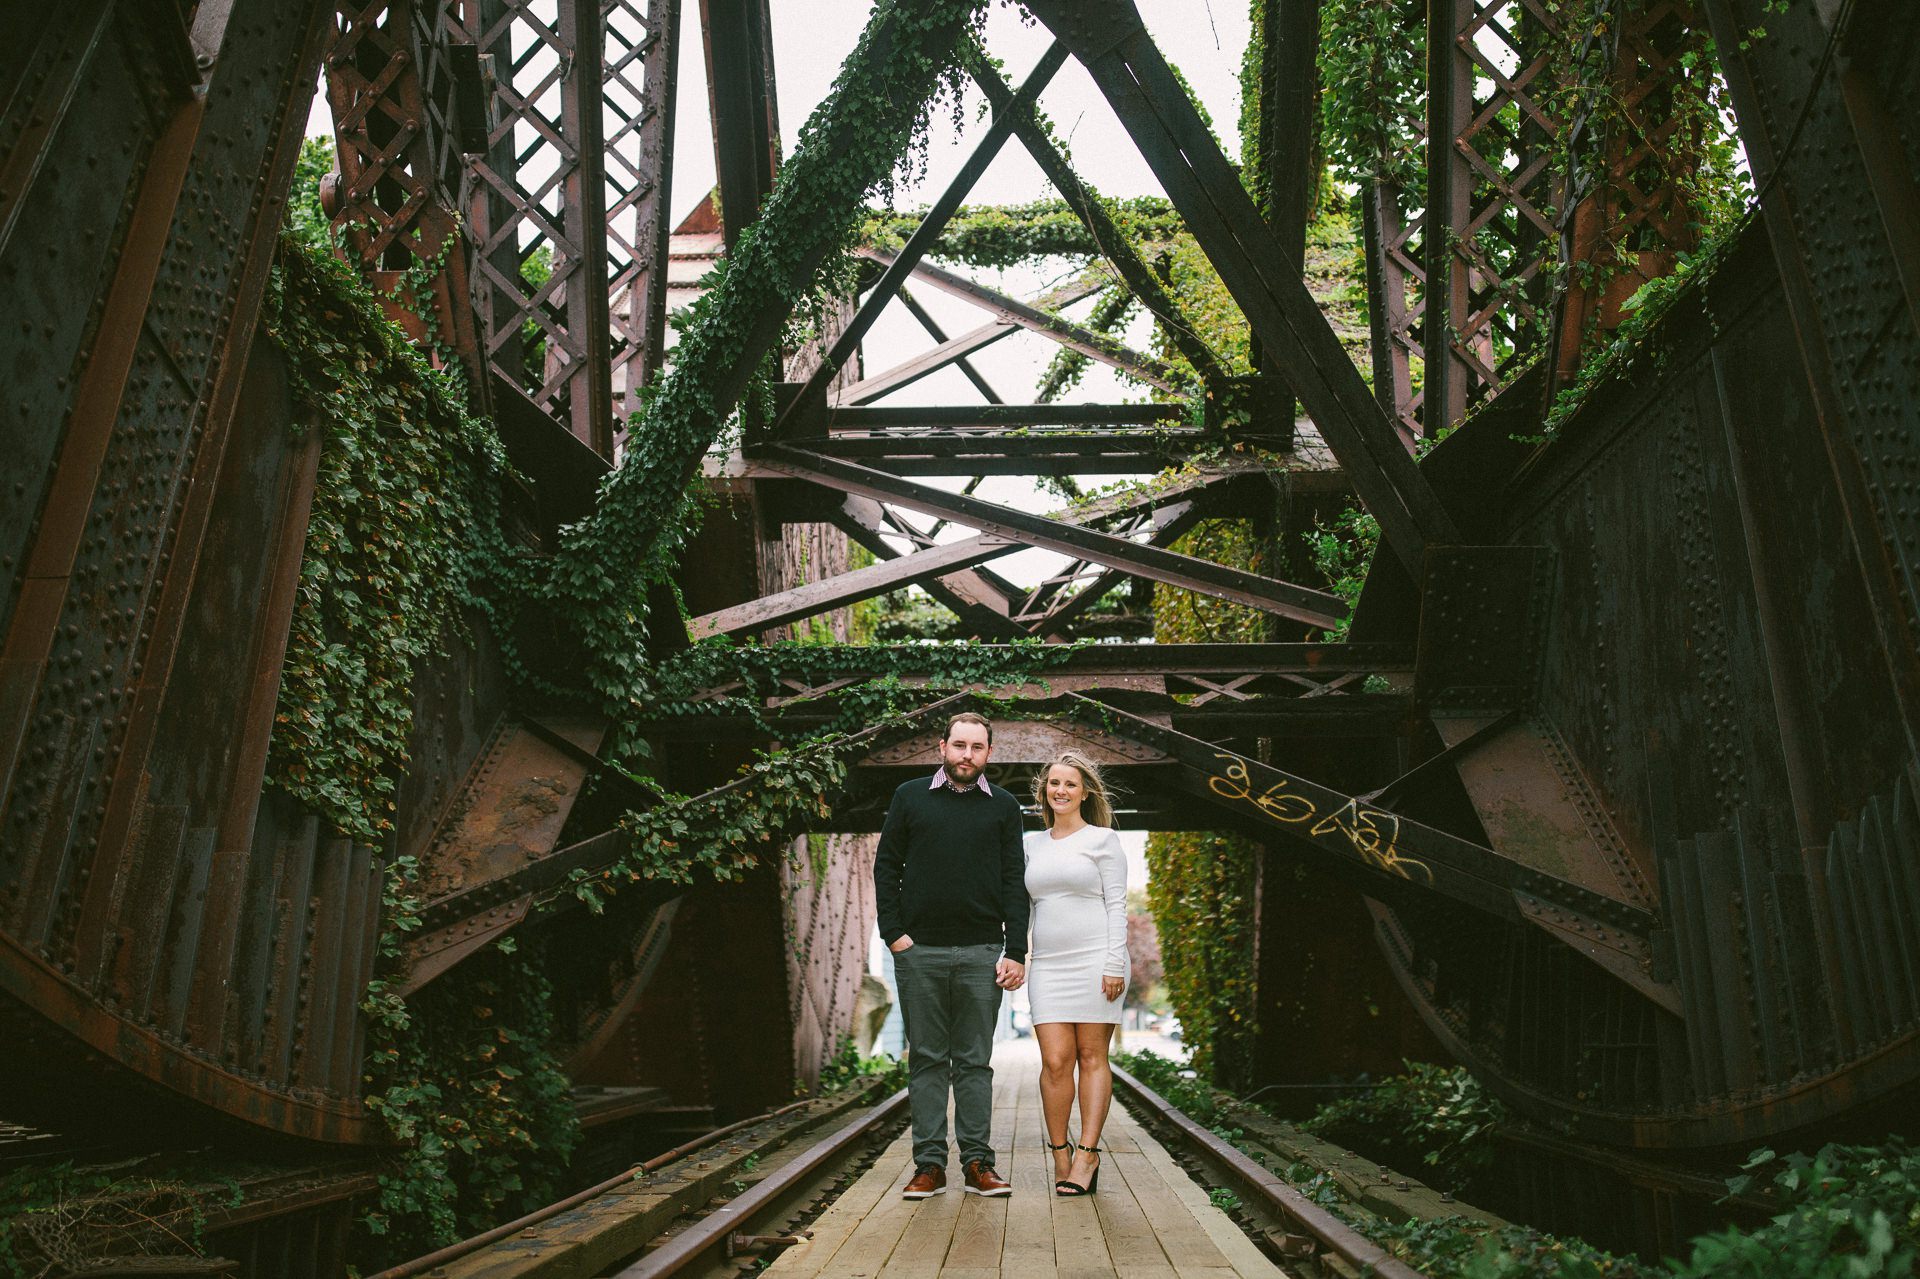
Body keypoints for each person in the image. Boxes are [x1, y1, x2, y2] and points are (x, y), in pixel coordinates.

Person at [873, 711, 1028, 1199]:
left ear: (988, 753)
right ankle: (929, 1165)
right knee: (927, 1060)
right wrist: (895, 934)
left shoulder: (1004, 807)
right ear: (942, 747)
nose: (967, 755)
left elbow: (1013, 882)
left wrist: (1016, 950)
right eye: (959, 745)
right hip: (920, 951)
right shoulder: (909, 797)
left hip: (983, 951)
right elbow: (886, 867)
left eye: (977, 747)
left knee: (974, 1062)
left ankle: (978, 1163)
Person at [1024, 750, 1128, 1196]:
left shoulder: (1103, 840)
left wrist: (1114, 962)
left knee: (1092, 1058)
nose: (1060, 790)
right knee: (1054, 1062)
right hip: (1047, 965)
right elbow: (1023, 906)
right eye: (1054, 783)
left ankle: (1087, 1155)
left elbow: (1117, 904)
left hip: (1095, 962)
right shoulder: (1031, 844)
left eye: (1070, 783)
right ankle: (1060, 1152)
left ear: (1085, 792)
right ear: (1044, 791)